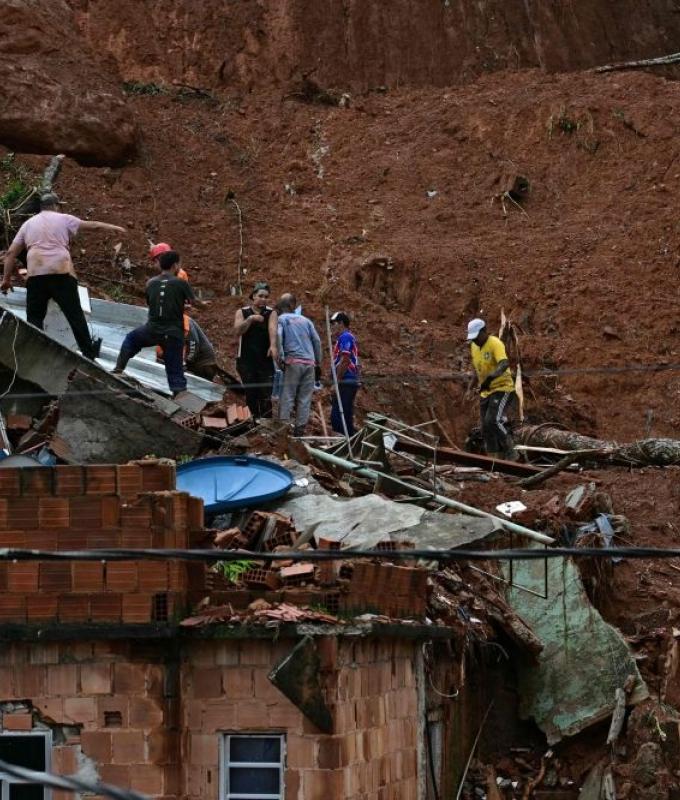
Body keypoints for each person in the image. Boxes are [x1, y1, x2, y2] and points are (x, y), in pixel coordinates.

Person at [1, 192, 126, 360]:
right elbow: (93, 226)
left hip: (36, 275)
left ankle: (32, 354)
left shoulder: (28, 225)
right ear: (56, 206)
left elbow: (10, 253)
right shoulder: (64, 218)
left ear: (41, 207)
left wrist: (6, 280)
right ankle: (89, 354)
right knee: (75, 315)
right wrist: (113, 228)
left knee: (35, 318)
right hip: (61, 273)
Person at [113, 250, 208, 395]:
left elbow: (153, 303)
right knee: (175, 368)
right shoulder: (181, 283)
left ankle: (118, 369)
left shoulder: (150, 283)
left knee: (131, 340)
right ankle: (181, 397)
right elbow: (195, 303)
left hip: (152, 329)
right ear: (175, 265)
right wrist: (205, 305)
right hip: (173, 333)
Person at [467, 318, 517, 460]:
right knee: (485, 427)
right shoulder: (474, 347)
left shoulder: (495, 343)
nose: (475, 340)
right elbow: (475, 369)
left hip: (502, 388)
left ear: (484, 332)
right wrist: (470, 387)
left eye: (477, 337)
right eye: (473, 338)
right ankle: (494, 459)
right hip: (486, 391)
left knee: (492, 420)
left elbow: (504, 363)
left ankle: (510, 449)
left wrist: (490, 378)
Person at [277, 293, 322, 437]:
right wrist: (318, 362)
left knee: (288, 395)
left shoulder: (281, 319)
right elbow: (317, 341)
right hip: (310, 363)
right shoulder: (306, 321)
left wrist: (281, 357)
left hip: (293, 362)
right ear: (293, 306)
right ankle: (299, 432)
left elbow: (278, 335)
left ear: (282, 306)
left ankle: (283, 429)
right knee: (304, 398)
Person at [233, 282, 277, 419]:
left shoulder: (271, 313)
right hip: (247, 360)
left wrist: (273, 345)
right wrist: (250, 319)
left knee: (265, 395)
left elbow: (272, 328)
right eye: (261, 296)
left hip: (265, 360)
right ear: (253, 296)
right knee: (251, 394)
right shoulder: (242, 312)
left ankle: (266, 424)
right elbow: (237, 331)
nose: (263, 299)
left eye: (266, 296)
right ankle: (252, 423)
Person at [329, 311, 360, 435]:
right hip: (348, 380)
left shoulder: (345, 337)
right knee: (346, 415)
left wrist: (336, 382)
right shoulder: (347, 337)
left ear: (341, 323)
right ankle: (350, 441)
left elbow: (345, 360)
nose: (332, 327)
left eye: (334, 323)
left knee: (338, 416)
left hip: (345, 380)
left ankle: (344, 441)